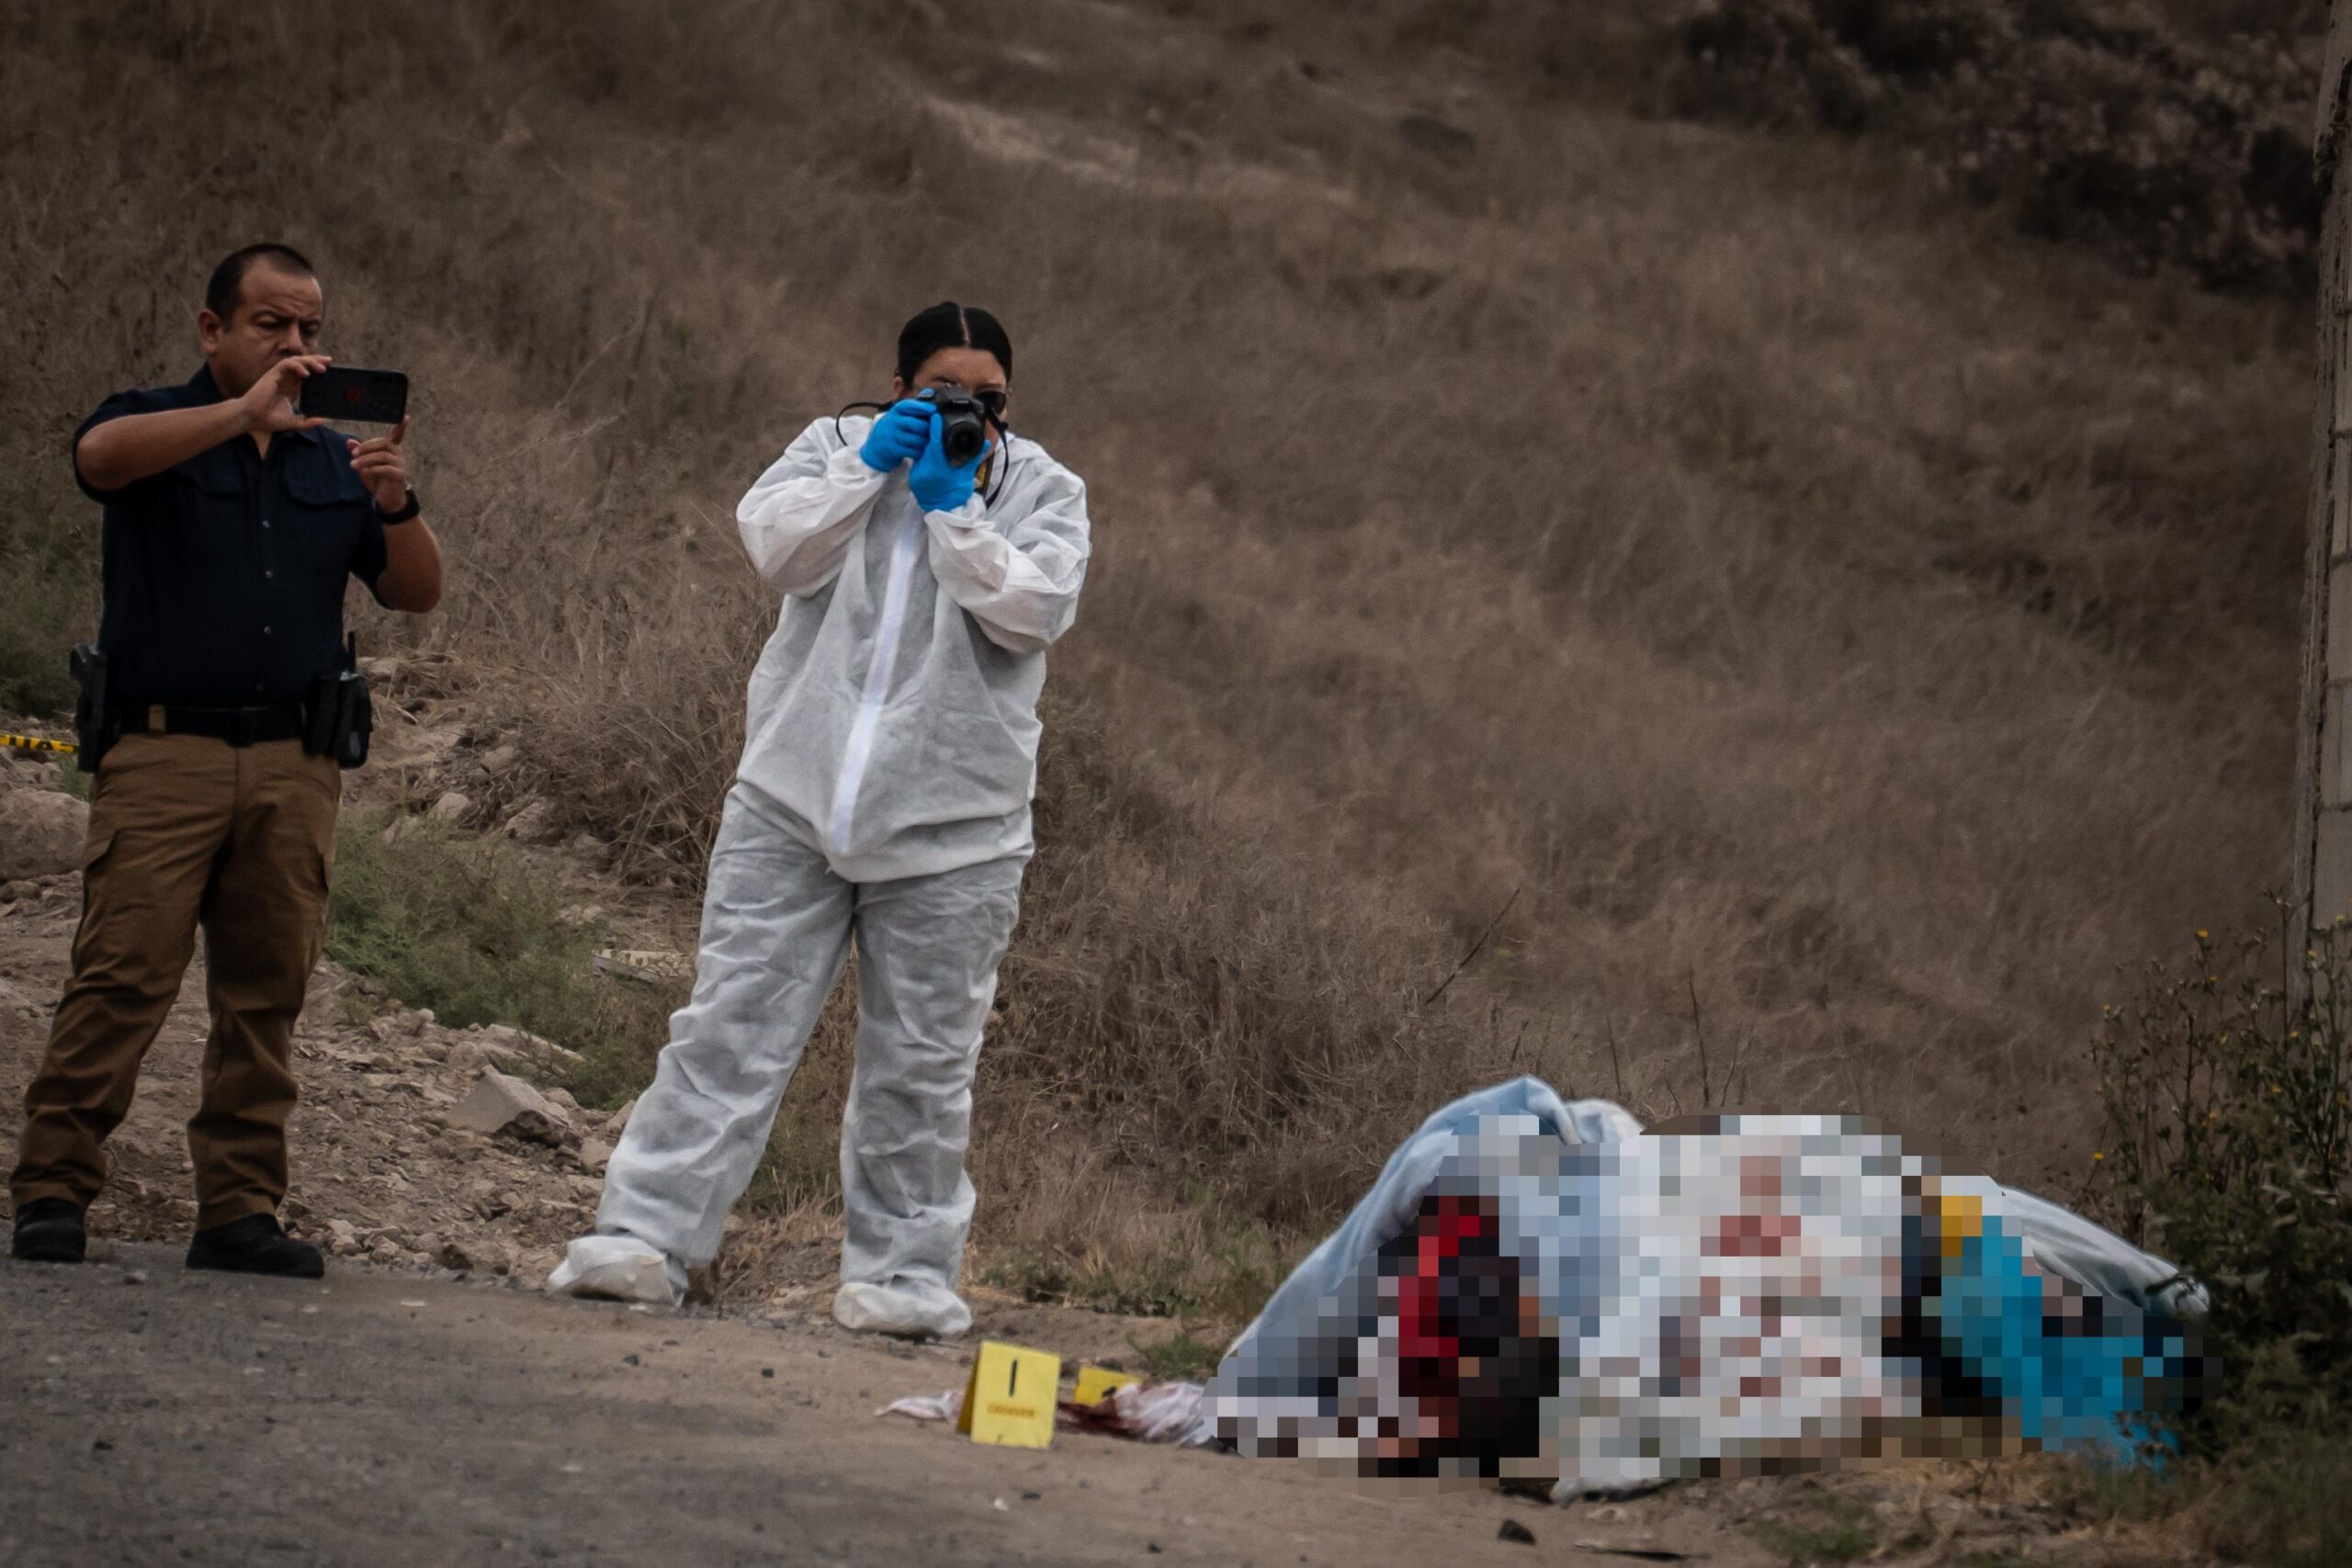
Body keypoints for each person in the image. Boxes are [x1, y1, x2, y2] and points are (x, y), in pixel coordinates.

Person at [550, 301, 1090, 1337]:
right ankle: (642, 1239)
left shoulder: (1042, 487)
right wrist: (866, 475)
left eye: (990, 399)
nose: (969, 412)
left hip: (956, 830)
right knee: (727, 1030)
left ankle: (902, 1278)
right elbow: (777, 553)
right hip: (790, 802)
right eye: (945, 392)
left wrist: (951, 511)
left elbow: (1032, 611)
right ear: (897, 388)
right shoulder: (831, 448)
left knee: (924, 1067)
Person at [9, 243, 445, 1275]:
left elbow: (415, 593)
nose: (294, 348)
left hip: (295, 762)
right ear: (214, 331)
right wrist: (238, 416)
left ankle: (239, 1212)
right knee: (121, 977)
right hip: (167, 751)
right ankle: (54, 1190)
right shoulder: (156, 419)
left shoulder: (332, 463)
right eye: (269, 326)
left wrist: (395, 500)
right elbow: (98, 462)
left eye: (307, 330)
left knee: (266, 993)